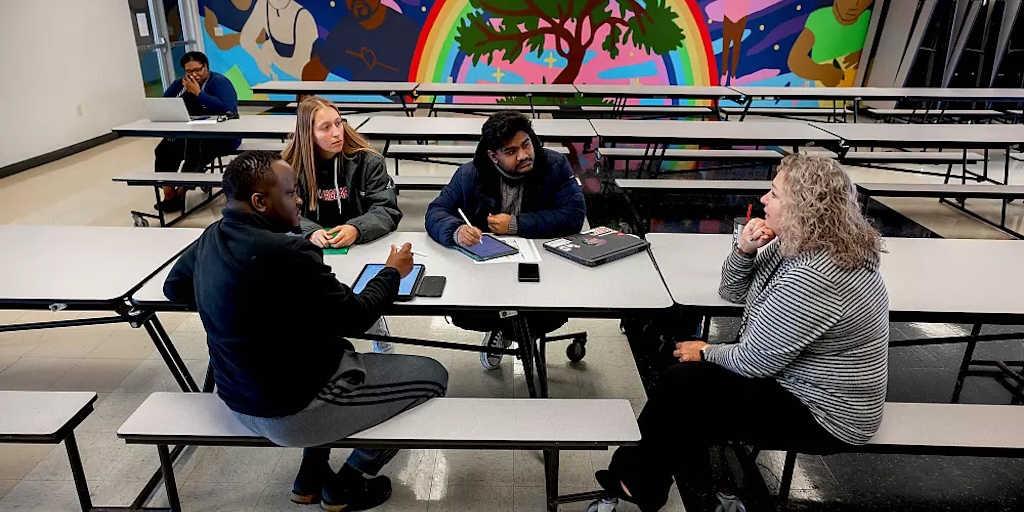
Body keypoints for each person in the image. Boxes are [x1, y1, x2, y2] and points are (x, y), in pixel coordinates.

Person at [593, 154, 889, 512]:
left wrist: (706, 351)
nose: (764, 199)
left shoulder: (818, 274)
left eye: (775, 194)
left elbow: (756, 362)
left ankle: (638, 480)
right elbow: (733, 291)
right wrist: (745, 251)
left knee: (684, 386)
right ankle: (658, 483)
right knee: (684, 391)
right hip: (797, 380)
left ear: (804, 207)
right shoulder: (799, 243)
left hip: (826, 413)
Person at [163, 151, 447, 511]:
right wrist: (392, 271)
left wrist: (245, 301)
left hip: (236, 399)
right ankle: (347, 484)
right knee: (434, 377)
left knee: (334, 351)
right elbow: (356, 317)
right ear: (259, 202)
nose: (298, 200)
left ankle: (311, 473)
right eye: (290, 192)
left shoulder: (212, 236)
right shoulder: (290, 251)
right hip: (290, 412)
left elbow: (175, 288)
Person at [425, 111, 586, 369]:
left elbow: (574, 216)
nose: (523, 155)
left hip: (543, 266)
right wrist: (456, 230)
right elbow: (436, 212)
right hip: (487, 269)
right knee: (481, 308)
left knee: (542, 312)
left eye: (526, 145)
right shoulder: (470, 174)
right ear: (493, 156)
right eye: (511, 152)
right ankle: (504, 329)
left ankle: (516, 330)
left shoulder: (554, 166)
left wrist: (516, 224)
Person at [283, 95, 402, 354]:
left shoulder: (368, 161)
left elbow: (387, 209)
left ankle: (374, 318)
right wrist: (310, 232)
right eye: (325, 128)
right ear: (307, 133)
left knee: (360, 293)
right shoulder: (289, 167)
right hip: (314, 250)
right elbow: (281, 211)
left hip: (361, 246)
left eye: (339, 123)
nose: (337, 133)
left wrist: (356, 228)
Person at [154, 51, 240, 212]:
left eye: (198, 70)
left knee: (195, 150)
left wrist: (198, 93)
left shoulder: (219, 82)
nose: (194, 75)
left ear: (206, 67)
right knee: (164, 149)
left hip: (221, 136)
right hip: (190, 134)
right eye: (188, 71)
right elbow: (164, 103)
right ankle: (169, 193)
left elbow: (227, 109)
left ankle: (183, 189)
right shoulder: (182, 83)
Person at [788, 0, 874, 89]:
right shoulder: (819, 18)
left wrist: (865, 56)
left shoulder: (871, 18)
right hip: (824, 96)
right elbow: (795, 60)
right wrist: (821, 73)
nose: (854, 5)